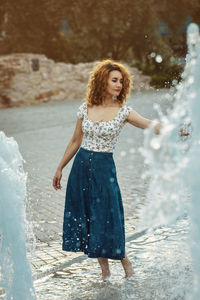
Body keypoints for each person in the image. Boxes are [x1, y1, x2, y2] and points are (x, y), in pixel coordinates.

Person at [52, 59, 189, 282]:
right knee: (90, 218)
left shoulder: (124, 111)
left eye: (121, 81)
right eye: (114, 80)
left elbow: (150, 125)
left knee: (109, 217)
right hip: (81, 168)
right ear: (101, 81)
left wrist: (178, 129)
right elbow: (75, 140)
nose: (119, 85)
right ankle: (105, 272)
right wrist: (59, 167)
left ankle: (127, 266)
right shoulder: (85, 108)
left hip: (105, 170)